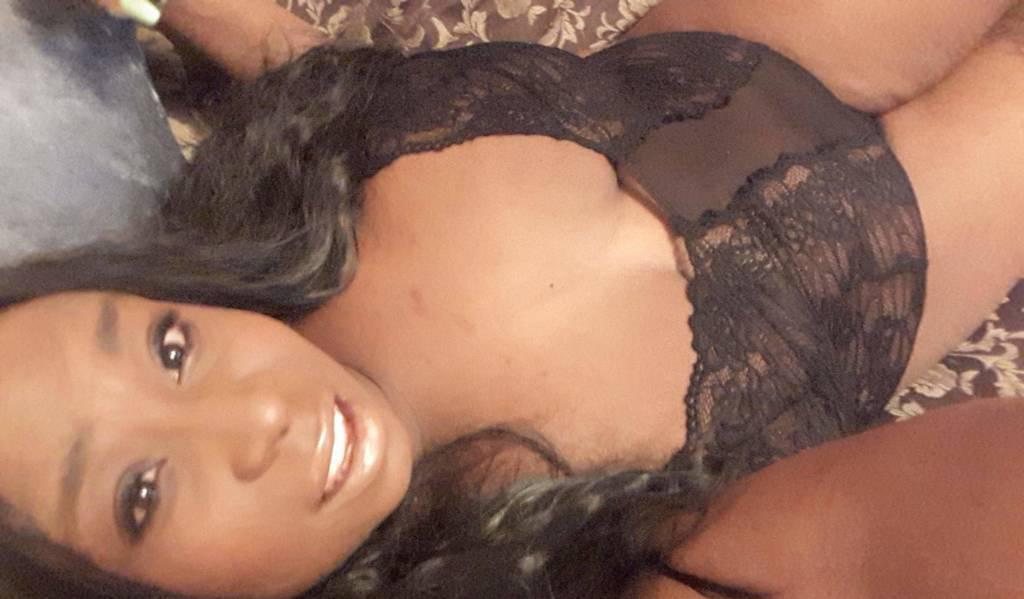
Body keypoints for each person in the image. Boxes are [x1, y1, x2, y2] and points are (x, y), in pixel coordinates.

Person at [0, 1, 1022, 598]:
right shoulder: (526, 570)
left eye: (170, 348)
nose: (256, 413)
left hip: (724, 57)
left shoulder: (276, 208)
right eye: (142, 492)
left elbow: (306, 71)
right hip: (892, 250)